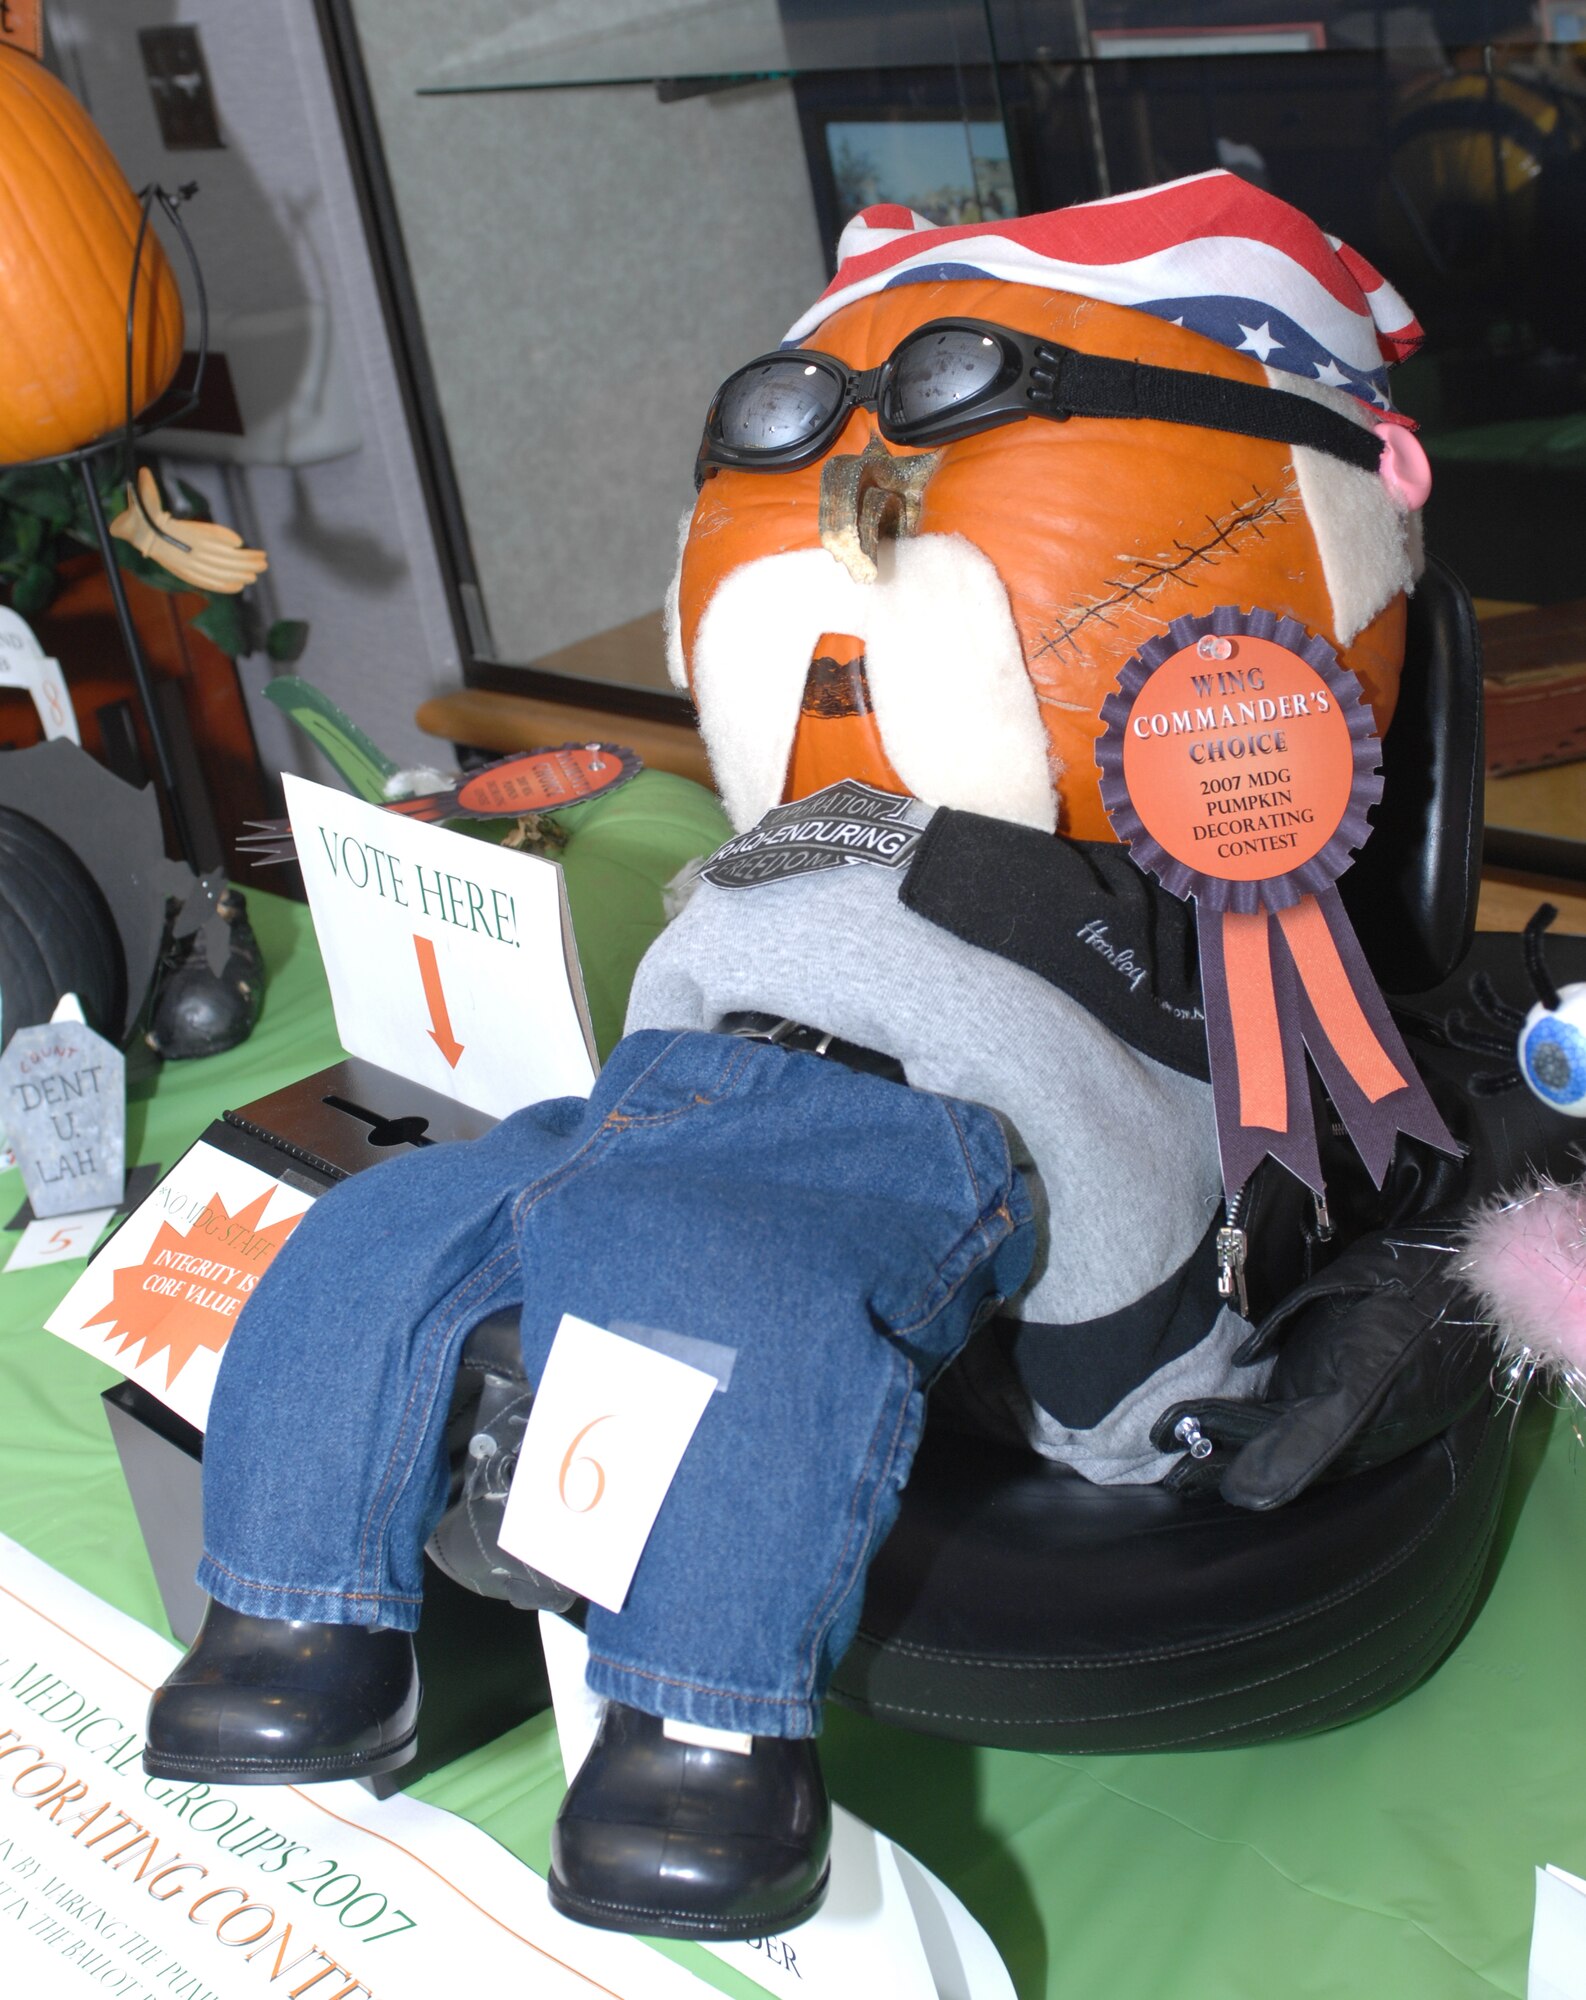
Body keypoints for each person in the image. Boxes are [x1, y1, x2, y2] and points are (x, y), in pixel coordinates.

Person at [144, 172, 1434, 1942]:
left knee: (735, 1306)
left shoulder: (1143, 914)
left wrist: (1129, 1393)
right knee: (375, 1236)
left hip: (892, 1141)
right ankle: (291, 1616)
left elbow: (1124, 1134)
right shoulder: (795, 832)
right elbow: (688, 958)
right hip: (660, 1097)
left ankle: (700, 1734)